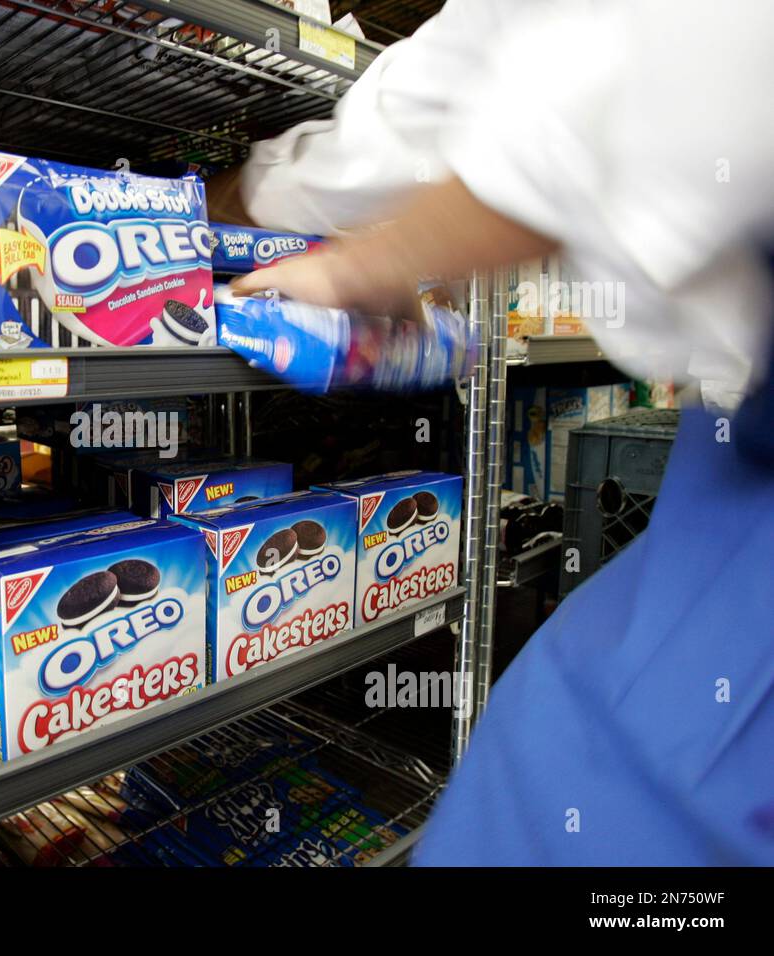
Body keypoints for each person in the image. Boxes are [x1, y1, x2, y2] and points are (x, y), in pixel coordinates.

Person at [212, 0, 774, 865]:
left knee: (585, 799)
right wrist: (240, 197)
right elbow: (435, 91)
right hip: (730, 469)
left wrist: (366, 262)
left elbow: (635, 102)